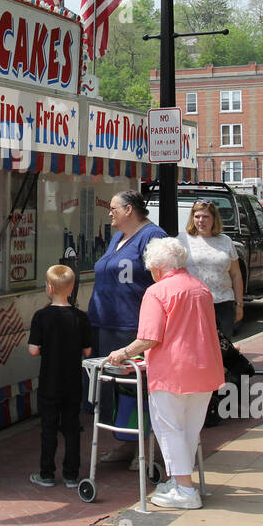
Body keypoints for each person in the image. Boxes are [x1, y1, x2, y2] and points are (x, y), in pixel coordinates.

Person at [105, 237, 224, 509]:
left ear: (157, 268)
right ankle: (181, 482)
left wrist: (121, 353)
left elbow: (149, 337)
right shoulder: (201, 287)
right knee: (190, 430)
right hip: (204, 368)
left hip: (172, 371)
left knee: (170, 429)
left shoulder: (157, 292)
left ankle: (185, 489)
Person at [86, 189, 167, 465]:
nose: (110, 213)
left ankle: (142, 449)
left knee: (134, 388)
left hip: (130, 325)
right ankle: (126, 444)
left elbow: (164, 280)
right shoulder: (118, 238)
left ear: (129, 210)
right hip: (105, 322)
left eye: (114, 208)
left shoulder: (153, 236)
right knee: (113, 391)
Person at [27, 265, 93, 488]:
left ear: (49, 287)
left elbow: (34, 350)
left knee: (48, 428)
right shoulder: (81, 317)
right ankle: (71, 475)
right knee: (72, 427)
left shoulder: (41, 316)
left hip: (49, 381)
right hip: (73, 382)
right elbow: (87, 351)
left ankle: (46, 474)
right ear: (72, 287)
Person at [182, 200, 243, 340]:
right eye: (197, 217)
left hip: (223, 304)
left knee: (222, 349)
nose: (201, 221)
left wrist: (239, 304)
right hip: (194, 304)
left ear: (214, 219)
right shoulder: (183, 240)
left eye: (206, 217)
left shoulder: (226, 241)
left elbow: (235, 274)